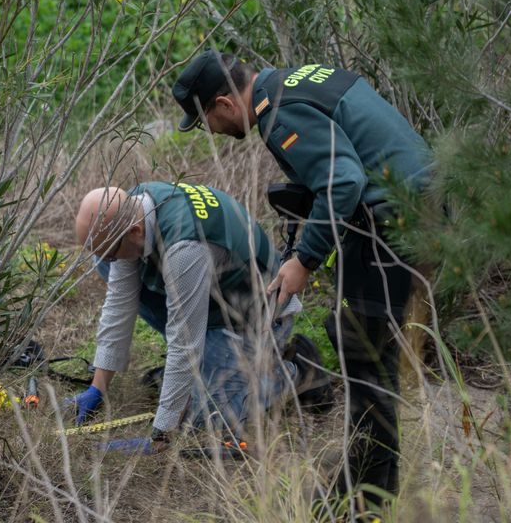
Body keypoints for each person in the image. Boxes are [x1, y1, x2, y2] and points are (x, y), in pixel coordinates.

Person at [172, 51, 433, 509]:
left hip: (394, 221)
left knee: (367, 358)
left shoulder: (278, 112)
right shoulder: (297, 82)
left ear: (224, 103)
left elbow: (343, 182)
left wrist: (305, 261)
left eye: (206, 120)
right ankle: (369, 487)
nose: (213, 132)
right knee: (373, 358)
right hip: (418, 207)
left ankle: (363, 502)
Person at [67, 181, 334, 451]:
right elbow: (119, 303)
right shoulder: (135, 204)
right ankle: (204, 368)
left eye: (111, 251)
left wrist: (161, 435)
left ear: (135, 231)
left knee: (207, 417)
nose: (109, 259)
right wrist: (97, 388)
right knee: (105, 265)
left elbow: (184, 343)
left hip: (252, 316)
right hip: (210, 298)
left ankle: (296, 373)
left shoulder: (184, 248)